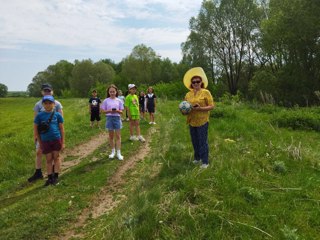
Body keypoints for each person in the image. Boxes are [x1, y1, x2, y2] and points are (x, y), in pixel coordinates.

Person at [28, 83, 63, 182]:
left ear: (52, 91)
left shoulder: (57, 103)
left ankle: (53, 173)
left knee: (54, 155)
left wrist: (60, 135)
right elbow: (35, 120)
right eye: (45, 90)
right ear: (42, 92)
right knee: (39, 152)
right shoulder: (38, 104)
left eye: (49, 90)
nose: (47, 92)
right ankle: (38, 172)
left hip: (54, 134)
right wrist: (35, 135)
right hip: (42, 134)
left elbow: (60, 120)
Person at [182, 67, 214, 169]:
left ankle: (205, 162)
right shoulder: (188, 94)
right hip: (192, 121)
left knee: (202, 141)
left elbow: (211, 106)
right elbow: (184, 106)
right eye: (194, 82)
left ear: (201, 82)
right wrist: (183, 112)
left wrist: (201, 108)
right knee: (194, 141)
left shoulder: (206, 92)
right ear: (191, 83)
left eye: (198, 81)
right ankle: (197, 158)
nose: (196, 83)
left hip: (203, 121)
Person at [34, 95, 65, 186]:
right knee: (48, 159)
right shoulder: (39, 116)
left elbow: (62, 129)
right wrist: (40, 142)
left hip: (56, 139)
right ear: (43, 104)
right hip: (45, 141)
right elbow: (36, 130)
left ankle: (56, 177)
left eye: (50, 103)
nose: (48, 105)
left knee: (56, 157)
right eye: (46, 103)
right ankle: (49, 178)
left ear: (54, 104)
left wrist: (63, 142)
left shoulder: (57, 115)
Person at [100, 84, 124, 160]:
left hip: (117, 118)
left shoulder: (119, 100)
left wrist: (117, 111)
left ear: (116, 92)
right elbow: (103, 111)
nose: (112, 93)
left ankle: (119, 153)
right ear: (108, 92)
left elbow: (122, 112)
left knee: (118, 136)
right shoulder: (106, 100)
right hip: (109, 118)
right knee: (111, 136)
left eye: (113, 91)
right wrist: (109, 111)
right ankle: (113, 152)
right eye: (110, 91)